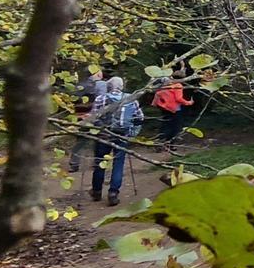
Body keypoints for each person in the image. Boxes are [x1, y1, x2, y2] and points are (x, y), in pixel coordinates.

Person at [90, 77, 142, 205]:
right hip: (122, 135)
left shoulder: (100, 98)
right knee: (118, 163)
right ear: (122, 86)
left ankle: (96, 191)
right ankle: (113, 193)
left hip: (104, 135)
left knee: (100, 162)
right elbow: (139, 117)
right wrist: (132, 133)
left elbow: (93, 117)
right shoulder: (131, 98)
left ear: (109, 86)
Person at [67, 69, 104, 173]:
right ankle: (98, 162)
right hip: (93, 116)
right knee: (99, 139)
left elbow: (73, 100)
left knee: (80, 141)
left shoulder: (79, 85)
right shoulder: (99, 86)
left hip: (80, 116)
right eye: (100, 73)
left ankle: (74, 164)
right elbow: (100, 101)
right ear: (96, 74)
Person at [153, 77, 194, 143]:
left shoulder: (162, 86)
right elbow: (178, 99)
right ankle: (171, 143)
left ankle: (161, 141)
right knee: (175, 126)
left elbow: (157, 96)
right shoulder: (177, 86)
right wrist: (188, 102)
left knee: (165, 124)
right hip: (175, 108)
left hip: (164, 108)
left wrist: (155, 104)